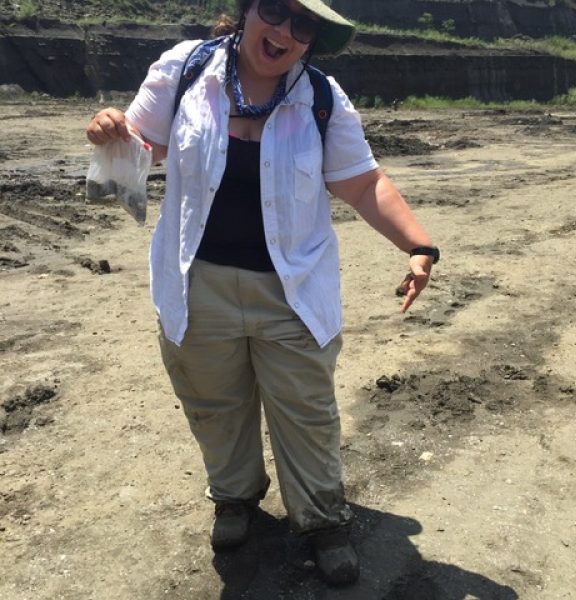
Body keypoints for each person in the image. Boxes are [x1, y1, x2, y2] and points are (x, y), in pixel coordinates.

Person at [86, 0, 439, 587]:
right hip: (197, 283)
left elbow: (362, 180)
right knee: (214, 403)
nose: (284, 31)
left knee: (307, 412)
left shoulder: (322, 98)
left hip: (293, 289)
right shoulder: (184, 69)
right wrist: (110, 130)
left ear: (312, 41)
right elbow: (142, 143)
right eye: (274, 11)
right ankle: (235, 497)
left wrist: (420, 245)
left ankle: (323, 521)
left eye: (304, 25)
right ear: (246, 11)